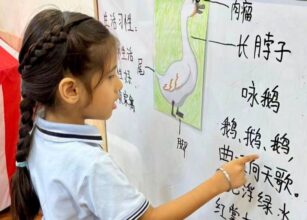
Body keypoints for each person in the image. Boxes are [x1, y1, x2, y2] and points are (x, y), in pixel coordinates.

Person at [10, 8, 259, 220]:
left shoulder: (38, 126)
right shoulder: (89, 165)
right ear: (71, 90)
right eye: (110, 76)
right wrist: (221, 181)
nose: (119, 85)